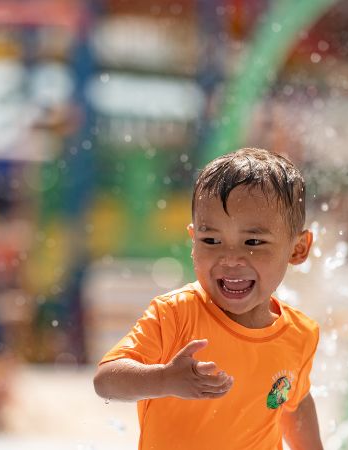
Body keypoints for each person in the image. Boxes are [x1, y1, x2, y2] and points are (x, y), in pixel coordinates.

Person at [93, 148, 324, 450]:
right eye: (211, 240)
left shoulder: (299, 334)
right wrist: (163, 379)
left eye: (253, 241)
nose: (230, 259)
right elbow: (106, 380)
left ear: (297, 249)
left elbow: (295, 403)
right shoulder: (176, 314)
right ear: (193, 241)